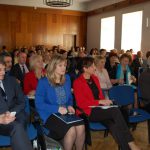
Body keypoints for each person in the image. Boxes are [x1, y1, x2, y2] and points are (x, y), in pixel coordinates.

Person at [73, 57, 140, 150]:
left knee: (113, 125)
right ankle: (131, 143)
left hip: (100, 110)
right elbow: (81, 104)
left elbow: (100, 95)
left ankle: (126, 148)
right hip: (88, 112)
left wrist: (105, 102)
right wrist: (100, 102)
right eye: (92, 66)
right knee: (115, 111)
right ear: (85, 68)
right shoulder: (77, 82)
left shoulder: (94, 78)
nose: (95, 68)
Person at [35, 54, 85, 150]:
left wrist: (70, 105)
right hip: (50, 115)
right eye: (60, 65)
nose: (63, 68)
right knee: (71, 130)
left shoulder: (67, 78)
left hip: (65, 113)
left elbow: (70, 98)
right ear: (53, 66)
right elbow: (39, 104)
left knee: (81, 126)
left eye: (65, 65)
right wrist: (57, 108)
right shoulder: (44, 82)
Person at [0, 56, 33, 150]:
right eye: (0, 70)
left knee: (21, 122)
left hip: (16, 113)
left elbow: (22, 101)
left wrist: (11, 112)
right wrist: (1, 118)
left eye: (4, 69)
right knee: (18, 127)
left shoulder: (11, 80)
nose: (3, 72)